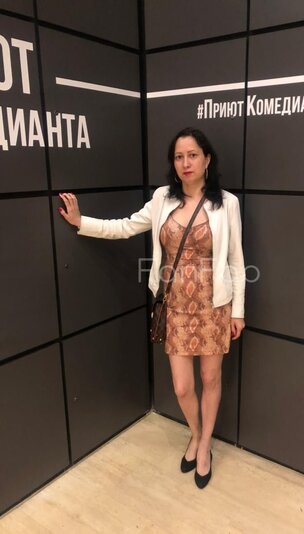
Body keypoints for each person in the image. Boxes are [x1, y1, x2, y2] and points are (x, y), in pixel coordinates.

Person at [59, 127, 245, 489]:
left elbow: (237, 261)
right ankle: (196, 434)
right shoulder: (162, 198)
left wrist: (238, 310)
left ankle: (203, 446)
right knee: (182, 387)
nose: (186, 163)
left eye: (193, 155)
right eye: (179, 157)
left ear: (207, 159)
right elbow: (126, 226)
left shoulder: (227, 203)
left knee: (210, 379)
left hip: (214, 306)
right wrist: (82, 222)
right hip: (174, 306)